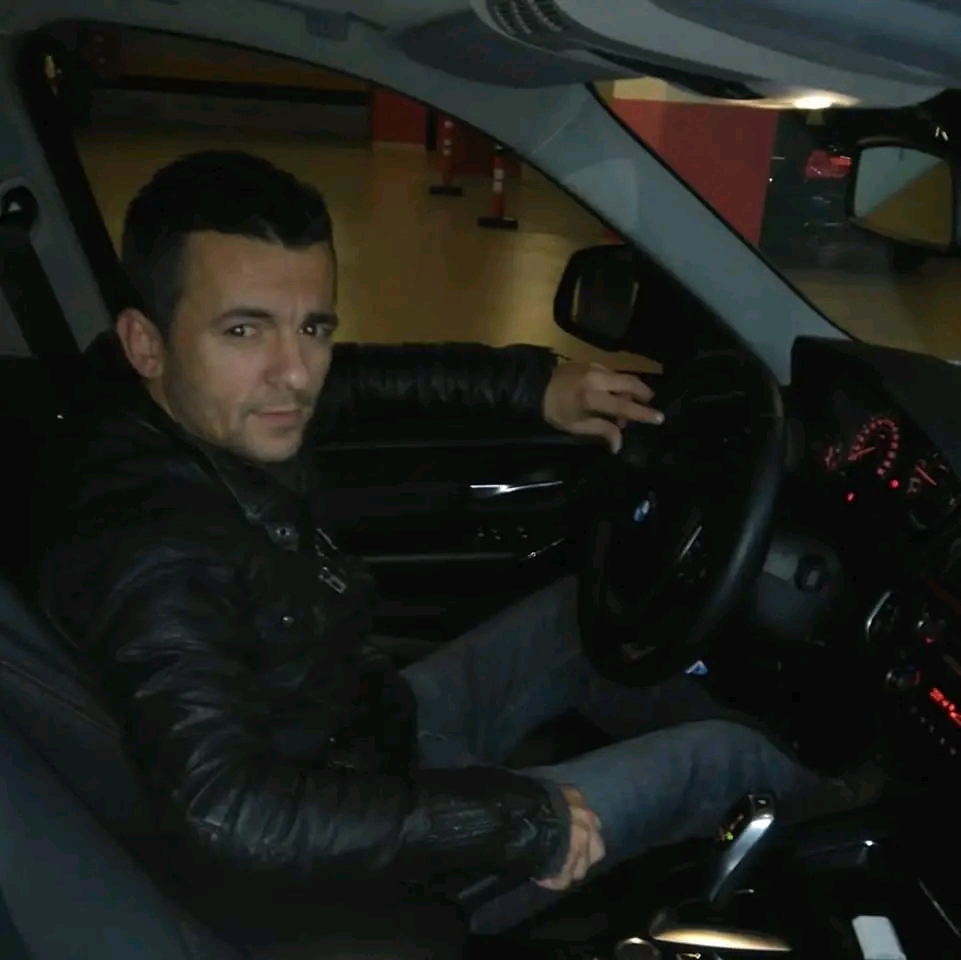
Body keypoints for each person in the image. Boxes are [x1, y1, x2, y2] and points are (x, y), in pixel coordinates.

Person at [37, 151, 871, 947]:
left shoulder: (177, 409)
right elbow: (229, 810)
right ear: (145, 341)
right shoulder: (154, 549)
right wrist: (516, 821)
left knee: (578, 620)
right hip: (376, 863)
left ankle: (769, 766)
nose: (294, 372)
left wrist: (539, 387)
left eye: (313, 326)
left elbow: (371, 382)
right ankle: (862, 821)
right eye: (244, 330)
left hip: (363, 732)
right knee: (719, 762)